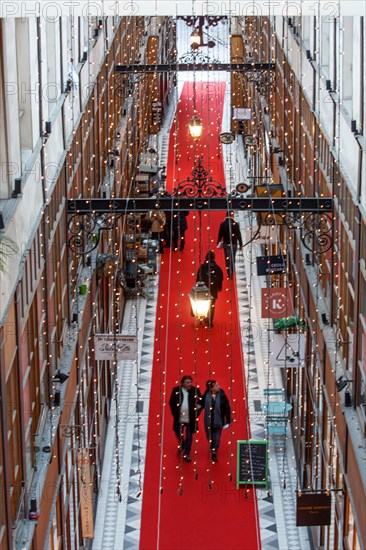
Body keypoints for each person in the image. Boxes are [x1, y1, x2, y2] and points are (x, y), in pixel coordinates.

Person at [169, 375, 202, 462]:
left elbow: (200, 403)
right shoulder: (176, 390)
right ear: (182, 383)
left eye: (190, 382)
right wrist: (175, 413)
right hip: (179, 417)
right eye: (187, 382)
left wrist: (196, 413)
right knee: (178, 433)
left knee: (189, 437)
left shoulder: (195, 391)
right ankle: (182, 445)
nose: (190, 384)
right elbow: (171, 402)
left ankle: (186, 453)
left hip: (191, 418)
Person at [201, 380, 231, 462]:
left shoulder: (222, 396)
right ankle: (212, 446)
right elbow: (200, 404)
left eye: (218, 384)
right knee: (210, 437)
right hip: (208, 421)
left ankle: (214, 452)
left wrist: (228, 419)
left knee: (217, 438)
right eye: (216, 385)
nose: (219, 386)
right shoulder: (206, 395)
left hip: (219, 421)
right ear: (211, 388)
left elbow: (227, 408)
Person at [196, 250, 223, 328]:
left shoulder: (202, 267)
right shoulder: (217, 268)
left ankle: (201, 318)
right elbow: (220, 278)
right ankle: (210, 321)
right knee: (212, 306)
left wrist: (197, 287)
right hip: (213, 290)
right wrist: (219, 287)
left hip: (203, 289)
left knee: (202, 304)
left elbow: (198, 278)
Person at [217, 212, 243, 279]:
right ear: (232, 215)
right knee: (233, 258)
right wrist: (241, 244)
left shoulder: (222, 224)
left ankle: (229, 272)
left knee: (227, 258)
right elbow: (239, 235)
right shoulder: (235, 224)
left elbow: (220, 234)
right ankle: (231, 271)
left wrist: (218, 242)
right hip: (234, 244)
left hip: (226, 244)